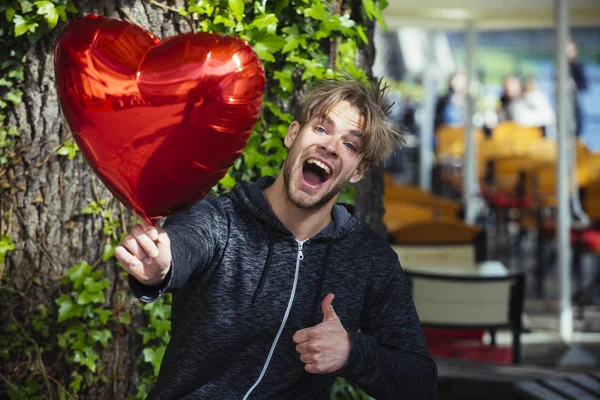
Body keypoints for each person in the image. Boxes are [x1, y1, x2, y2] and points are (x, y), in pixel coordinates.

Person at [115, 75, 438, 399]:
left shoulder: (369, 260)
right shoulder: (219, 219)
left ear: (357, 171)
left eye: (350, 144)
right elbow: (184, 245)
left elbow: (420, 383)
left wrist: (352, 353)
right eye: (322, 129)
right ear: (293, 134)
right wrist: (161, 266)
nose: (330, 145)